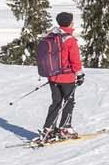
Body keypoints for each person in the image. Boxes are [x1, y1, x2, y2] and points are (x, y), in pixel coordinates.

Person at [35, 12, 84, 140]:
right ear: (69, 23)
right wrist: (79, 75)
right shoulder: (69, 39)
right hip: (67, 78)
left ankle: (48, 129)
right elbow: (75, 60)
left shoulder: (51, 36)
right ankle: (65, 128)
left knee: (56, 102)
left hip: (52, 76)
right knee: (69, 102)